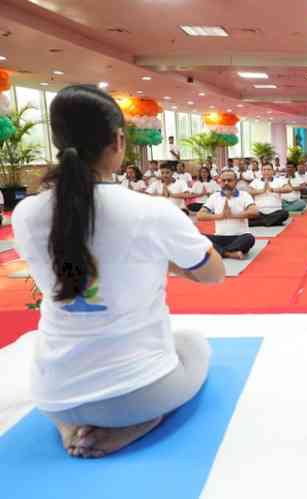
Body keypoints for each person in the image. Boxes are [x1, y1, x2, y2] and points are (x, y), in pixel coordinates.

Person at [11, 84, 224, 459]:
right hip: (134, 397)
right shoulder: (151, 211)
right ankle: (138, 422)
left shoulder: (26, 213)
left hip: (52, 394)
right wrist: (166, 261)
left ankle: (71, 428)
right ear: (118, 140)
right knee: (193, 344)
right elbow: (213, 274)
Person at [197, 170, 257, 259]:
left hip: (239, 237)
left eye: (229, 180)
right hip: (219, 238)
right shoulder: (214, 196)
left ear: (236, 182)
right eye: (223, 180)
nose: (226, 183)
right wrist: (220, 216)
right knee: (198, 237)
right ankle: (229, 253)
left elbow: (254, 212)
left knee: (249, 238)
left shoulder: (244, 195)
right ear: (220, 181)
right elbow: (200, 215)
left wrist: (232, 215)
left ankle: (219, 251)